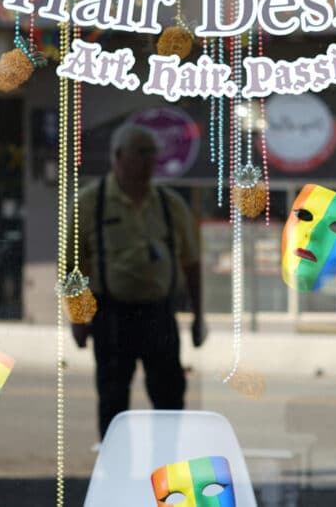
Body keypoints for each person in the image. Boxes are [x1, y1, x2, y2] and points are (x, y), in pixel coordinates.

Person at [71, 123, 207, 440]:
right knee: (113, 401)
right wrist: (79, 319)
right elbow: (73, 267)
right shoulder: (90, 202)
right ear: (118, 156)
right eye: (141, 153)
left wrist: (199, 318)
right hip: (111, 315)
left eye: (153, 154)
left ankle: (167, 476)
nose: (149, 162)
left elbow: (192, 263)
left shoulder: (170, 204)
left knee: (170, 399)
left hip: (159, 314)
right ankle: (118, 477)